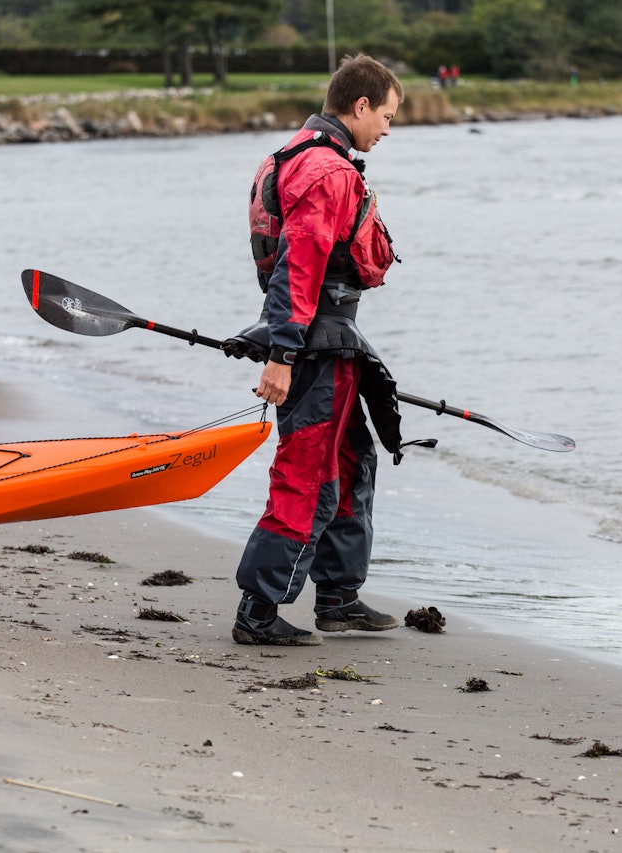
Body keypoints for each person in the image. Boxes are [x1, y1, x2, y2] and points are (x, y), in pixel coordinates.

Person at [223, 54, 409, 646]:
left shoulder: (290, 155)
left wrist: (280, 338)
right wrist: (282, 353)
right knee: (311, 474)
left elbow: (288, 267)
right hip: (315, 345)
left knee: (353, 459)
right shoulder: (328, 171)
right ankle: (259, 611)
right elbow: (298, 268)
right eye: (385, 115)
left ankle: (338, 596)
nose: (387, 128)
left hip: (327, 340)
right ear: (360, 107)